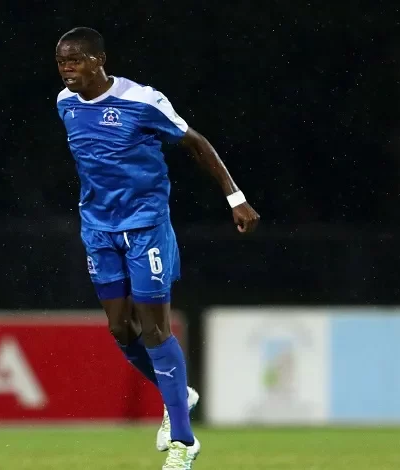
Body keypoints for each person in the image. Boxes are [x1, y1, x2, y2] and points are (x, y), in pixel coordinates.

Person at [55, 27, 260, 469]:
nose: (67, 68)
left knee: (155, 328)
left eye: (76, 60)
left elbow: (195, 143)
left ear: (99, 60)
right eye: (61, 62)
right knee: (119, 328)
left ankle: (184, 442)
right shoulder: (64, 103)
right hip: (98, 230)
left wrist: (235, 197)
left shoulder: (142, 101)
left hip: (145, 227)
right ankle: (179, 395)